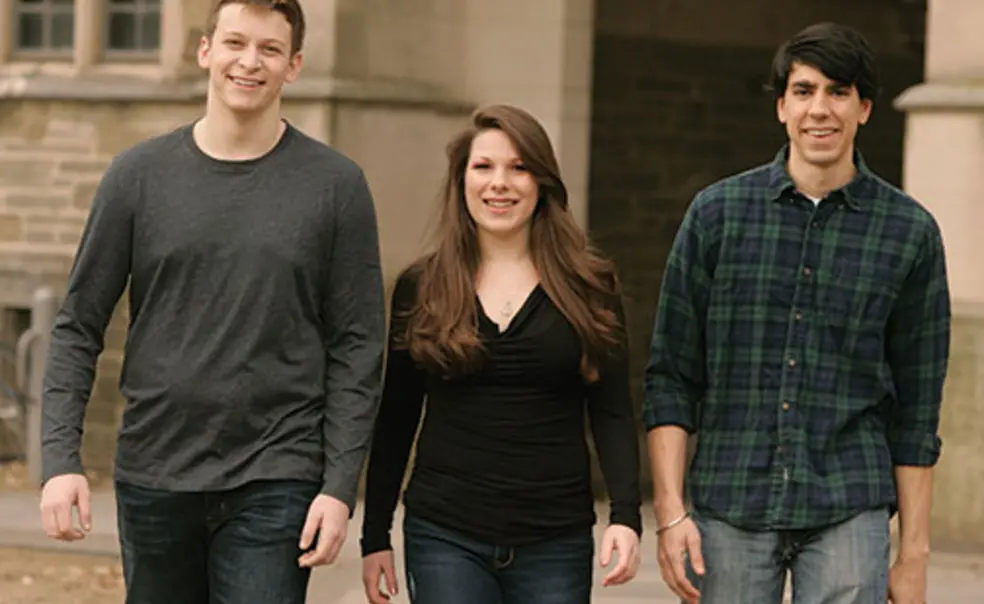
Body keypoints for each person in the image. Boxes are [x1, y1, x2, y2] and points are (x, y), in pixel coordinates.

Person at [37, 1, 386, 602]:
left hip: (278, 474)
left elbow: (359, 346)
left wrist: (338, 484)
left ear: (294, 65)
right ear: (205, 51)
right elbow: (77, 325)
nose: (249, 62)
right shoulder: (137, 177)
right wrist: (60, 458)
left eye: (270, 49)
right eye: (235, 43)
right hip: (155, 472)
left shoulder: (336, 187)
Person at [644, 22, 950, 604]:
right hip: (731, 498)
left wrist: (913, 553)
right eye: (805, 91)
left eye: (839, 92)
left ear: (864, 108)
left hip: (849, 501)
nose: (820, 110)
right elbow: (672, 376)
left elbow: (917, 410)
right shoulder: (716, 217)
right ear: (782, 105)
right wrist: (671, 512)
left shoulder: (910, 233)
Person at [359, 104, 643, 604]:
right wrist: (375, 535)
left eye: (519, 167)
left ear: (543, 183)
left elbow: (613, 410)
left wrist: (625, 516)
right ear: (461, 179)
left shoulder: (589, 287)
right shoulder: (422, 287)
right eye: (483, 167)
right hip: (445, 535)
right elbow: (397, 418)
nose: (500, 184)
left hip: (555, 541)